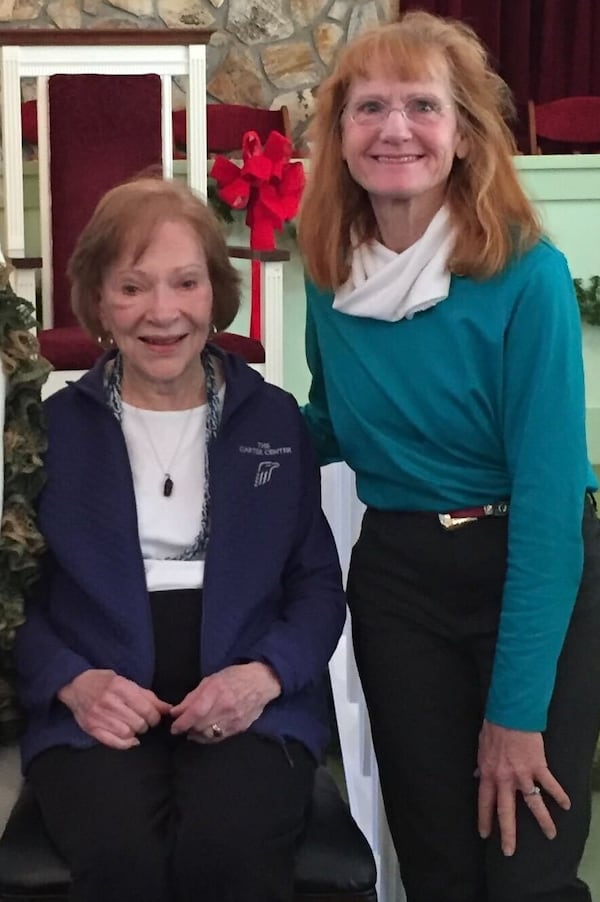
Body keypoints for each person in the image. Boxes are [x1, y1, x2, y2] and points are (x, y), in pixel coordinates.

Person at [298, 10, 600, 902]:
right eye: (370, 107)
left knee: (526, 871)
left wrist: (515, 713)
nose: (395, 128)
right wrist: (206, 412)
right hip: (399, 579)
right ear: (341, 134)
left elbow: (550, 500)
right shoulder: (327, 272)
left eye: (423, 106)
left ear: (465, 135)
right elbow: (334, 423)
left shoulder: (525, 274)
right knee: (436, 863)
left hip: (530, 565)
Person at [15, 176, 346, 902]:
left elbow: (317, 583)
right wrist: (73, 681)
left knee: (229, 848)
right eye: (132, 287)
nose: (162, 313)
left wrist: (263, 677)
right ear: (98, 303)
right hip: (98, 695)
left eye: (185, 283)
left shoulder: (273, 420)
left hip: (249, 690)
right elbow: (16, 597)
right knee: (120, 853)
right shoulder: (49, 431)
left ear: (214, 295)